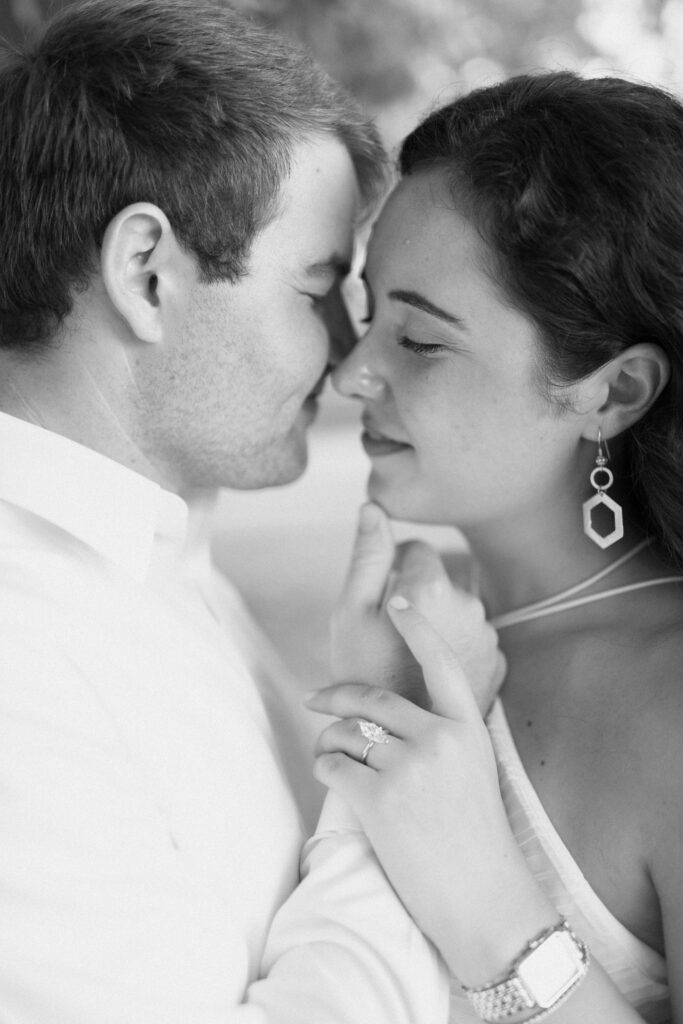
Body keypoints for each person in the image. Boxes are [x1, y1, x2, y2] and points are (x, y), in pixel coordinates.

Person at [0, 1, 457, 1020]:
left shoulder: (157, 564)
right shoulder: (19, 659)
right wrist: (387, 773)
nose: (350, 354)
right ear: (147, 275)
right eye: (315, 289)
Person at [306, 71, 683, 1023]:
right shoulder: (410, 633)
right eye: (367, 311)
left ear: (610, 391)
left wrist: (481, 894)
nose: (352, 372)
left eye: (420, 341)